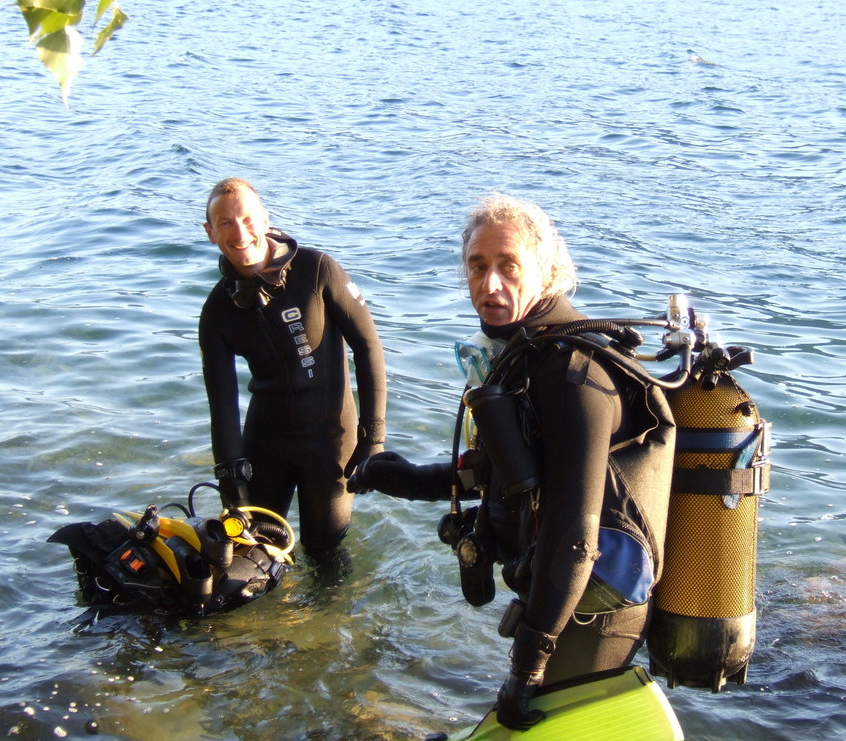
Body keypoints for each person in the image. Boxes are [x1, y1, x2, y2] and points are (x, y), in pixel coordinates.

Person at [347, 194, 676, 730]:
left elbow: (574, 532)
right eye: (478, 266)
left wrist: (528, 663)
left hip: (597, 606)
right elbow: (511, 476)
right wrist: (403, 478)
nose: (490, 284)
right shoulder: (526, 356)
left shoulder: (573, 373)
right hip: (563, 592)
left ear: (547, 271)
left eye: (509, 266)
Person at [199, 177, 387, 566]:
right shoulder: (217, 311)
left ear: (265, 220)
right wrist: (229, 475)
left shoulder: (316, 270)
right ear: (210, 232)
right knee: (253, 553)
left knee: (325, 554)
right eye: (226, 223)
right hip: (266, 441)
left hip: (330, 440)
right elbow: (222, 402)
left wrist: (373, 437)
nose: (240, 233)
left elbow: (368, 346)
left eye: (247, 219)